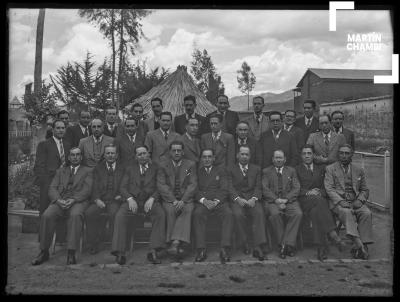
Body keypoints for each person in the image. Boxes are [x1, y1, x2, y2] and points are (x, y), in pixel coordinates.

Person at [31, 147, 93, 265]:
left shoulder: (88, 171)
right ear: (69, 157)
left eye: (78, 155)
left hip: (78, 201)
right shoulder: (61, 171)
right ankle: (44, 252)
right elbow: (52, 188)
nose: (75, 157)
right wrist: (58, 200)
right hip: (60, 201)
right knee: (47, 215)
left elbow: (87, 190)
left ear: (81, 157)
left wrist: (73, 200)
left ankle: (71, 252)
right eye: (73, 155)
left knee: (75, 215)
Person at [116, 146, 166, 264]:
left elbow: (161, 186)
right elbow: (122, 187)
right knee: (120, 215)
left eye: (144, 153)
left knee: (160, 214)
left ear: (148, 154)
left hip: (149, 201)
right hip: (133, 200)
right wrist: (129, 198)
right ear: (135, 157)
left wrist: (153, 198)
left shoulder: (157, 168)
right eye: (139, 154)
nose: (142, 156)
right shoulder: (130, 169)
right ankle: (120, 252)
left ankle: (153, 250)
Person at [295, 145, 345, 261]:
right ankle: (333, 235)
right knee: (319, 203)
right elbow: (295, 187)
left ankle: (321, 247)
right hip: (303, 200)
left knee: (316, 211)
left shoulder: (321, 168)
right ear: (301, 156)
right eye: (304, 153)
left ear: (313, 155)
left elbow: (327, 187)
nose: (307, 156)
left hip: (319, 200)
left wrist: (319, 192)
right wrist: (308, 192)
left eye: (309, 153)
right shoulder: (296, 169)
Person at [324, 144, 373, 260]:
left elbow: (364, 189)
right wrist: (341, 201)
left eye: (347, 153)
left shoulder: (358, 170)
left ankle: (364, 245)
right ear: (338, 154)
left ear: (351, 155)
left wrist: (360, 200)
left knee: (366, 213)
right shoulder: (330, 168)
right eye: (341, 153)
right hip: (338, 203)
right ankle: (359, 245)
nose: (344, 156)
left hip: (355, 201)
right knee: (347, 213)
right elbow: (329, 189)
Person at [157, 141, 197, 260]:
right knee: (170, 211)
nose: (176, 153)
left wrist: (183, 200)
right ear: (170, 152)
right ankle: (177, 243)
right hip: (170, 199)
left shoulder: (190, 165)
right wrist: (174, 200)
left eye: (179, 150)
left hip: (186, 199)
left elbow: (192, 184)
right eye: (174, 150)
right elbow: (161, 185)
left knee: (187, 210)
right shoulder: (163, 165)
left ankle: (174, 242)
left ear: (183, 152)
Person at [192, 149, 233, 263]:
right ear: (201, 159)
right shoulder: (197, 172)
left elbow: (224, 188)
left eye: (209, 157)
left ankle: (224, 248)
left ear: (214, 158)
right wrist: (204, 201)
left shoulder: (221, 171)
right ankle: (201, 249)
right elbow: (195, 189)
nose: (207, 159)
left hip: (219, 202)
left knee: (228, 213)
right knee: (197, 214)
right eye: (204, 157)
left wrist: (216, 201)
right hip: (204, 202)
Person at [227, 145, 268, 260]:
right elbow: (229, 187)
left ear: (250, 156)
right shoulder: (230, 169)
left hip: (252, 200)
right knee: (237, 215)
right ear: (237, 155)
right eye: (242, 154)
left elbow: (258, 186)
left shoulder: (256, 169)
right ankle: (244, 242)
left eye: (247, 154)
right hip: (237, 200)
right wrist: (238, 199)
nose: (244, 157)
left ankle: (258, 245)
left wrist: (254, 199)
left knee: (259, 213)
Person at [84, 144, 125, 255]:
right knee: (89, 213)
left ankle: (114, 244)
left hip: (115, 200)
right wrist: (97, 199)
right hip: (101, 200)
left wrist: (121, 196)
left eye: (112, 153)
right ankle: (93, 243)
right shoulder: (98, 168)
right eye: (108, 153)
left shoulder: (123, 168)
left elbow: (126, 184)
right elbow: (94, 186)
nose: (110, 155)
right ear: (104, 155)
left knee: (114, 214)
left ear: (116, 155)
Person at [262, 150, 302, 259]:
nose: (278, 160)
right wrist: (276, 200)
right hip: (273, 202)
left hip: (289, 201)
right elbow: (264, 189)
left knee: (297, 214)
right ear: (272, 159)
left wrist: (286, 200)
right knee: (274, 215)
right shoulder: (266, 171)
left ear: (285, 159)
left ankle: (285, 244)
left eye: (280, 158)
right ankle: (284, 245)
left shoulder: (291, 171)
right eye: (276, 158)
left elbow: (296, 187)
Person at [34, 120, 71, 214]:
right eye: (58, 128)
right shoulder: (44, 145)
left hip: (63, 185)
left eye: (63, 128)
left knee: (61, 211)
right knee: (45, 211)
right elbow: (39, 166)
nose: (61, 130)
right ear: (53, 130)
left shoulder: (68, 145)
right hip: (48, 183)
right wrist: (46, 182)